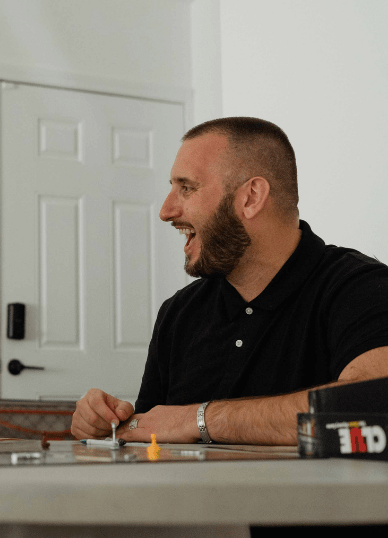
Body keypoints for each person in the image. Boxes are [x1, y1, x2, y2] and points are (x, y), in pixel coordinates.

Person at [71, 117, 388, 446]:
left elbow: (371, 407)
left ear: (251, 197)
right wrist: (106, 426)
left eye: (187, 188)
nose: (166, 210)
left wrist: (198, 419)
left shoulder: (363, 289)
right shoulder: (178, 313)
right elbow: (153, 440)